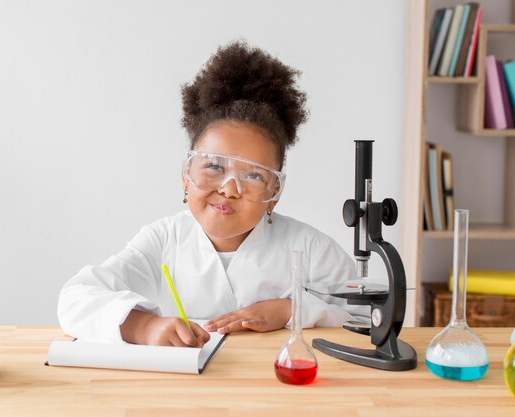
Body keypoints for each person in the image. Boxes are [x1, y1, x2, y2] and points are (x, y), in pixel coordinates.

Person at [58, 41, 361, 347]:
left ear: (275, 193)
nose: (229, 189)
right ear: (185, 176)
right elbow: (75, 300)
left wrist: (290, 310)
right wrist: (145, 327)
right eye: (214, 167)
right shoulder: (165, 240)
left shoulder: (311, 249)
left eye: (253, 175)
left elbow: (365, 318)